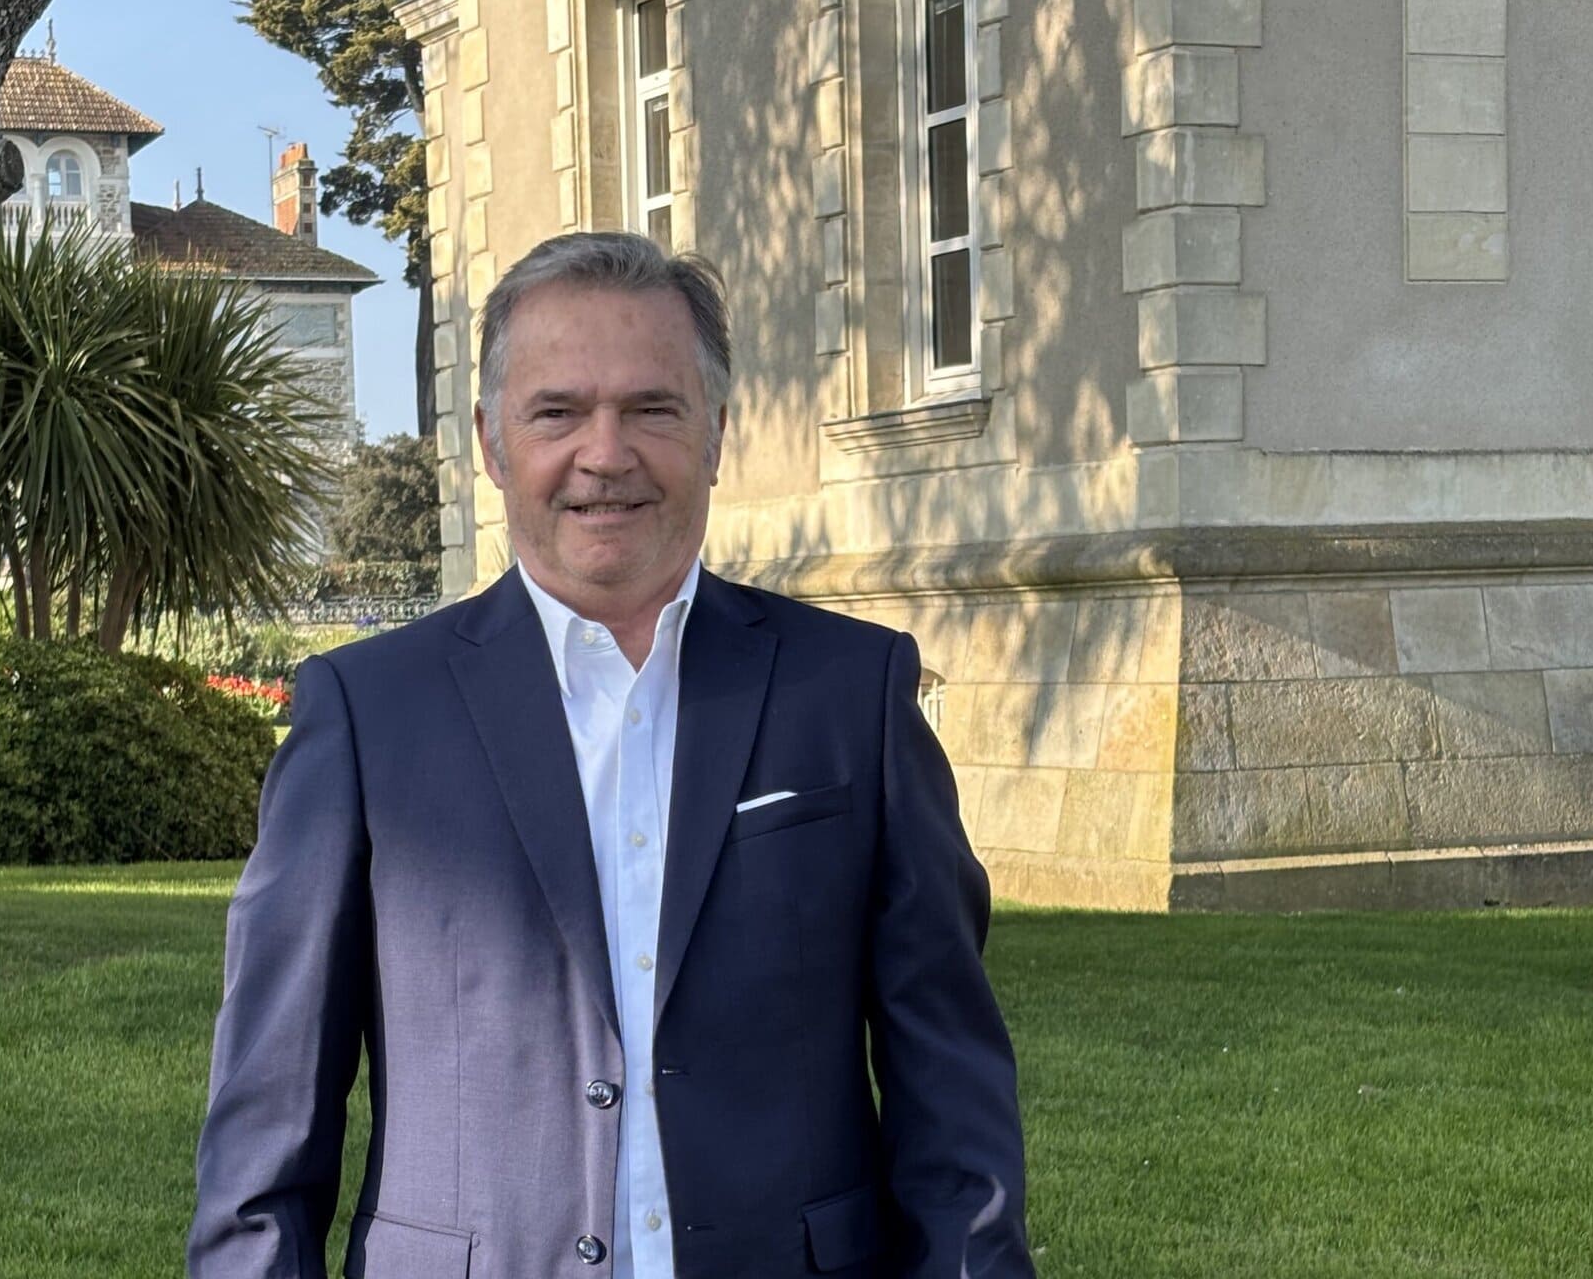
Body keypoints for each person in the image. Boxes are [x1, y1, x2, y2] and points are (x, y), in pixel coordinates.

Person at [188, 232, 1032, 1279]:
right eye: (557, 412)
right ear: (491, 442)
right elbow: (264, 1145)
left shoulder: (851, 693)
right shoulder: (367, 714)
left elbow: (952, 1103)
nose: (605, 453)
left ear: (717, 433)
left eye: (652, 409)